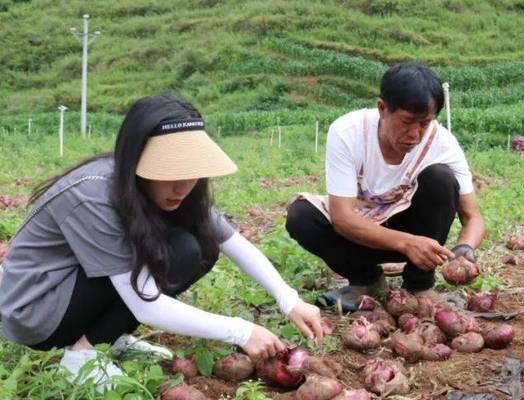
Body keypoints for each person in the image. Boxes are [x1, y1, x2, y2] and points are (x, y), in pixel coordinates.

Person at [0, 95, 325, 391]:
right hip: (39, 311)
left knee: (198, 245)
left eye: (191, 171)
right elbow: (144, 302)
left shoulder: (173, 188)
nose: (183, 186)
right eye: (169, 171)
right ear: (137, 159)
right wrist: (241, 331)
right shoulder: (93, 193)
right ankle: (82, 358)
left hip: (76, 295)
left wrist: (289, 299)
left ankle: (105, 339)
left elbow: (232, 242)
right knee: (175, 251)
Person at [286, 63, 485, 310]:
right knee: (301, 216)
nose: (415, 133)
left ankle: (419, 284)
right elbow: (342, 218)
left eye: (424, 123)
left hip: (413, 236)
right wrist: (407, 243)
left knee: (441, 178)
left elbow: (472, 216)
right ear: (382, 108)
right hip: (360, 237)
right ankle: (366, 280)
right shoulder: (348, 132)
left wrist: (464, 250)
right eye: (407, 121)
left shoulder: (442, 144)